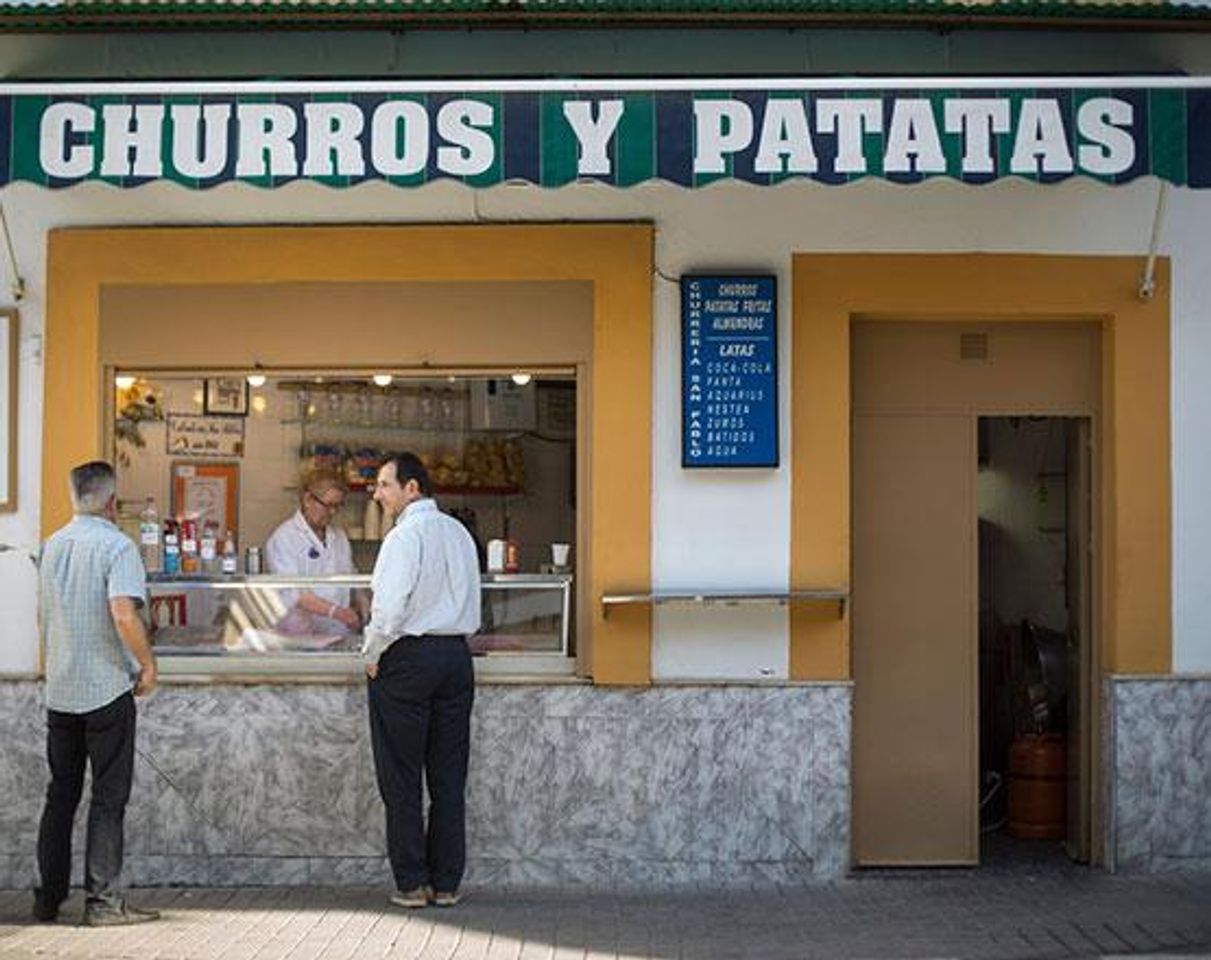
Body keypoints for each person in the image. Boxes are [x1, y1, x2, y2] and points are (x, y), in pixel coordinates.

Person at [34, 460, 160, 926]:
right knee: (108, 797)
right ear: (111, 500)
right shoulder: (117, 546)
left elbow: (41, 617)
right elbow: (124, 614)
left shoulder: (49, 546)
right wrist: (147, 664)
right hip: (106, 689)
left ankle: (48, 898)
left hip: (61, 690)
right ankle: (103, 903)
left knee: (60, 794)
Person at [362, 452, 481, 909]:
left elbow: (389, 608)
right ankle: (447, 883)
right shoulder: (459, 533)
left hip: (408, 659)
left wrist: (373, 654)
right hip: (455, 658)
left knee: (402, 776)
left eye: (385, 485)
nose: (378, 494)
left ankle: (412, 883)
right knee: (449, 777)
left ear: (413, 488)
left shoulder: (403, 536)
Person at [264, 466, 361, 634]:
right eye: (328, 505)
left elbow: (351, 577)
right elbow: (296, 594)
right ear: (308, 499)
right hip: (302, 638)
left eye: (338, 506)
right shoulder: (284, 538)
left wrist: (364, 604)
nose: (333, 512)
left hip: (338, 633)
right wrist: (336, 612)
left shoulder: (339, 537)